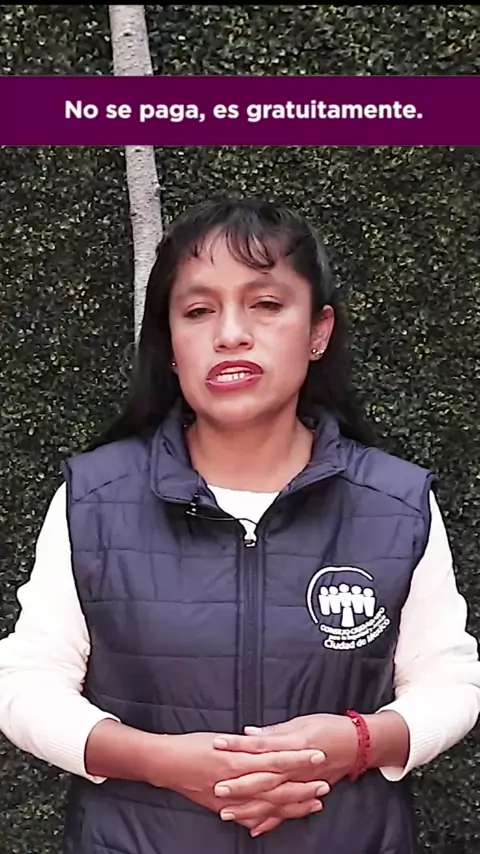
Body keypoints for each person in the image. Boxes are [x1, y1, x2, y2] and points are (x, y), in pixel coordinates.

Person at [0, 198, 479, 854]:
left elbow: (449, 681)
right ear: (171, 345)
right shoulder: (95, 499)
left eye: (266, 304)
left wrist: (358, 743)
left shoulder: (393, 502)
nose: (231, 334)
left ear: (318, 331)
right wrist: (156, 761)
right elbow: (25, 682)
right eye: (198, 311)